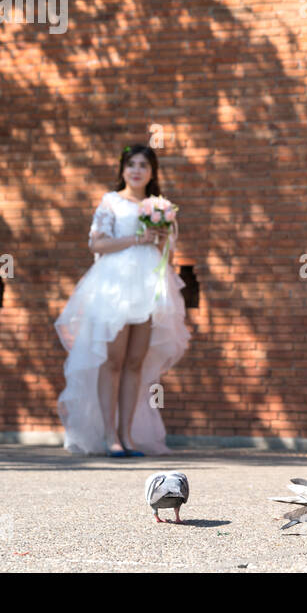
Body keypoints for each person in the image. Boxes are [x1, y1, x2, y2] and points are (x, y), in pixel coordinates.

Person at [55, 144, 190, 456]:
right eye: (131, 164)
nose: (137, 170)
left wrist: (160, 236)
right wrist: (137, 238)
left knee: (134, 362)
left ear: (152, 171)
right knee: (113, 361)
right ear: (123, 169)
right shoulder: (111, 202)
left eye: (144, 164)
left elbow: (163, 249)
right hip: (115, 286)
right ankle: (111, 436)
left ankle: (128, 436)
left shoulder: (158, 206)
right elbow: (96, 244)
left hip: (148, 284)